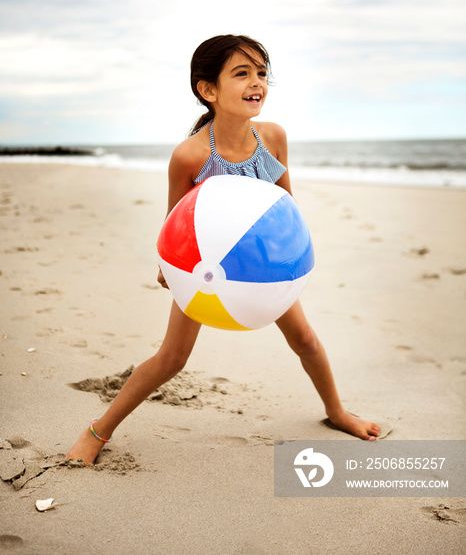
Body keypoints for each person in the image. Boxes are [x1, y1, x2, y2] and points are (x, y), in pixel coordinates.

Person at [67, 34, 380, 464]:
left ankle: (337, 411)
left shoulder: (273, 137)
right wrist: (169, 267)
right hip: (207, 267)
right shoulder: (190, 155)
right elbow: (175, 222)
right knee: (172, 358)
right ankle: (97, 432)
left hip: (264, 267)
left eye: (261, 73)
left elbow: (286, 207)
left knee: (306, 339)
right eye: (242, 73)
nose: (257, 83)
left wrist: (295, 258)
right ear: (208, 90)